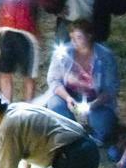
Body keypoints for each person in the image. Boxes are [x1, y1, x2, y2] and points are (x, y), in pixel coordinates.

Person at [44, 18, 121, 157]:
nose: (74, 41)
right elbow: (53, 79)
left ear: (89, 36)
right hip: (70, 93)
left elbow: (111, 88)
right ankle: (70, 131)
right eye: (72, 37)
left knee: (104, 124)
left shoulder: (105, 56)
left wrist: (92, 105)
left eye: (78, 37)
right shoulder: (63, 53)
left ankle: (94, 135)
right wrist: (67, 98)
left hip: (95, 99)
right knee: (54, 105)